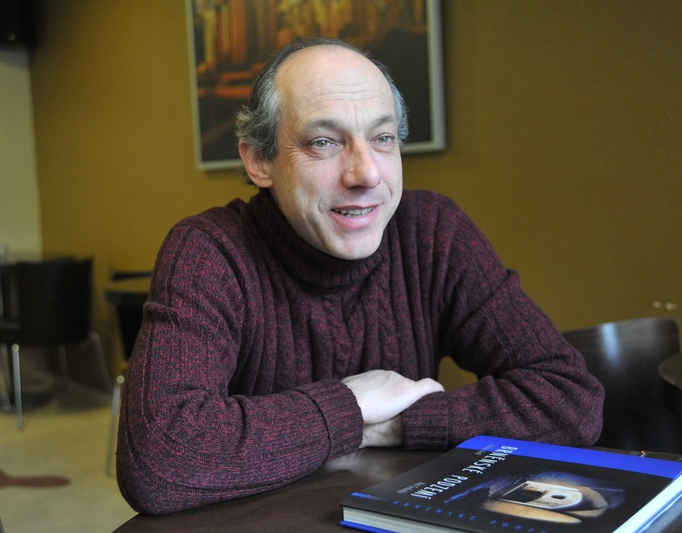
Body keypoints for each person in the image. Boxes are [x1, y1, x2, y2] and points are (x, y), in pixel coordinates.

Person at [117, 38, 604, 515]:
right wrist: (353, 404)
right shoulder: (210, 251)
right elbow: (160, 461)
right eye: (323, 142)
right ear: (259, 161)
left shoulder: (434, 233)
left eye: (382, 138)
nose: (366, 174)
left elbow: (571, 399)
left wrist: (390, 425)